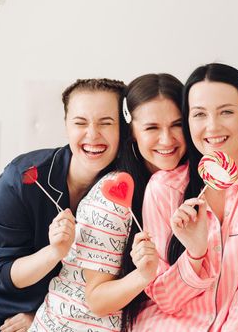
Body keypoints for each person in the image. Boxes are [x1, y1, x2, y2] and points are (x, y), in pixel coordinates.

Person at [133, 63, 238, 331]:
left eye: (227, 112)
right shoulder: (164, 188)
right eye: (199, 114)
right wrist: (195, 255)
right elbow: (164, 299)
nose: (212, 126)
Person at [29, 73, 187, 332]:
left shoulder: (175, 186)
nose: (167, 139)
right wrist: (143, 275)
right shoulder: (113, 195)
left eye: (177, 124)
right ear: (132, 131)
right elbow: (97, 300)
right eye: (152, 127)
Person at [0, 78, 126, 332]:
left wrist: (40, 316)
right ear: (66, 126)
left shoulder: (123, 190)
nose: (93, 134)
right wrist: (55, 251)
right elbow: (7, 273)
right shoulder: (21, 179)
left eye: (106, 123)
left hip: (45, 312)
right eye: (80, 123)